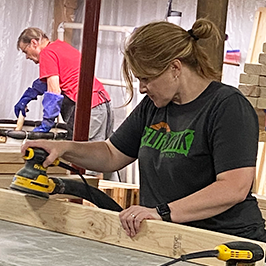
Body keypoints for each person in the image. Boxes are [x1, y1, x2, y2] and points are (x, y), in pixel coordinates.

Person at [21, 18, 266, 242]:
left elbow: (233, 187)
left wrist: (162, 212)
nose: (141, 88)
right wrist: (63, 148)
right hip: (170, 235)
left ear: (175, 68)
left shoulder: (226, 106)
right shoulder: (153, 106)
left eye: (147, 79)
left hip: (226, 241)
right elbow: (111, 153)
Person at [16, 27, 113, 141]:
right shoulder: (60, 47)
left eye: (25, 51)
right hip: (102, 103)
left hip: (88, 109)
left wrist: (47, 123)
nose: (27, 57)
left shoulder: (46, 54)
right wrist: (28, 95)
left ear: (34, 43)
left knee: (82, 152)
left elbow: (54, 92)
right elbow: (52, 79)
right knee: (100, 151)